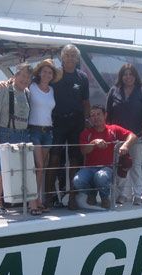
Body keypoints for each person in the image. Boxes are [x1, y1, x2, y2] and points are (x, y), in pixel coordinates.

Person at [0, 63, 34, 216]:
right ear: (16, 75)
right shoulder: (3, 89)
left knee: (23, 170)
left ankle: (24, 203)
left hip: (23, 134)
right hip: (5, 134)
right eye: (23, 75)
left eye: (28, 77)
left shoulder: (27, 93)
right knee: (3, 171)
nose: (25, 79)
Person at [46, 44, 91, 209]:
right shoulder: (55, 75)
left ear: (77, 58)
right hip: (57, 122)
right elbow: (39, 83)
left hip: (76, 122)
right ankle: (48, 196)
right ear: (62, 57)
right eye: (67, 55)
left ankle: (73, 196)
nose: (70, 58)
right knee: (54, 158)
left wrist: (87, 121)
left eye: (73, 55)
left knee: (75, 160)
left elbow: (86, 102)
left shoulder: (82, 78)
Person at [72, 105, 137, 210]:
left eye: (98, 114)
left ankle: (104, 198)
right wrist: (94, 143)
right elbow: (84, 150)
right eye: (92, 115)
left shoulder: (114, 129)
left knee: (101, 176)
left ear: (105, 115)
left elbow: (133, 136)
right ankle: (91, 195)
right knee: (77, 181)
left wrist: (125, 145)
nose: (96, 117)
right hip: (89, 168)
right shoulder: (86, 133)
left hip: (108, 168)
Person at [105, 63, 142, 205]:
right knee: (121, 166)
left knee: (136, 165)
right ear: (121, 76)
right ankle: (122, 195)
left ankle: (137, 194)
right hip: (119, 137)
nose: (128, 77)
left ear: (135, 76)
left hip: (136, 135)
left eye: (131, 74)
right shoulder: (114, 91)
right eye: (125, 74)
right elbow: (108, 113)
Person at [28, 59, 62, 213]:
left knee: (41, 168)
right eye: (44, 71)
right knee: (39, 166)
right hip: (34, 130)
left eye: (50, 72)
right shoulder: (32, 87)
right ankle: (32, 203)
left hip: (48, 132)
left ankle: (38, 199)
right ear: (39, 73)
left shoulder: (53, 91)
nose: (47, 74)